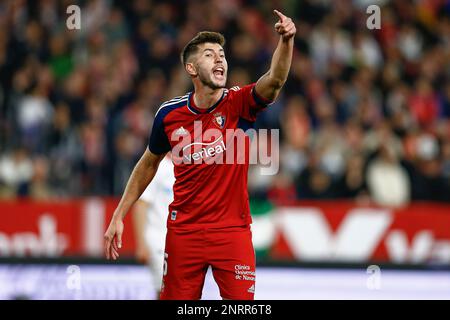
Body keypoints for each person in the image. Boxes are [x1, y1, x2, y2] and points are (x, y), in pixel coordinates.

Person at [104, 9, 295, 300]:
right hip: (184, 232)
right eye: (209, 54)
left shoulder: (239, 103)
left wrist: (286, 42)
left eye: (222, 54)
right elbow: (147, 164)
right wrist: (119, 214)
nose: (220, 58)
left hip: (232, 232)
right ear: (191, 69)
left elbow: (275, 80)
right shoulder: (169, 115)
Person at [132, 154, 174, 299]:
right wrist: (141, 243)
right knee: (163, 291)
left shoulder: (187, 166)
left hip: (179, 240)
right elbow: (141, 203)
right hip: (158, 240)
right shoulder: (158, 167)